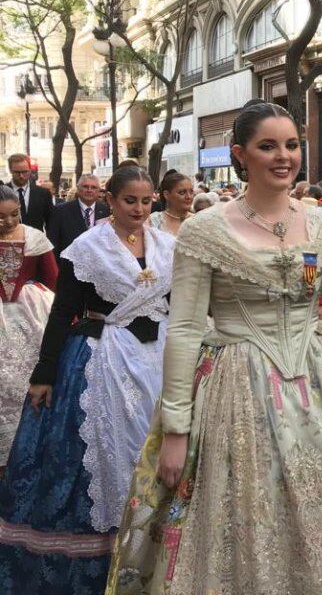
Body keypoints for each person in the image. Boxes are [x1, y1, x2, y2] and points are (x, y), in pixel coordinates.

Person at [106, 101, 322, 594]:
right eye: (268, 146)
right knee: (246, 511)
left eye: (292, 145)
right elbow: (186, 328)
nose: (284, 156)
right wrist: (176, 428)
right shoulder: (204, 230)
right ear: (240, 154)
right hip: (237, 388)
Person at [0, 166, 174, 593]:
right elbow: (64, 310)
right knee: (104, 447)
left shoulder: (168, 245)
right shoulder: (87, 247)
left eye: (146, 201)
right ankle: (108, 555)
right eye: (129, 200)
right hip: (106, 356)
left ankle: (161, 551)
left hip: (163, 356)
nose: (139, 209)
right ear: (110, 200)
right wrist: (44, 372)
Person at [0, 185, 58, 467]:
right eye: (1, 217)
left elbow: (53, 279)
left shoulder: (34, 238)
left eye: (15, 214)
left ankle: (30, 447)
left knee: (29, 375)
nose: (9, 221)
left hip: (31, 315)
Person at [46, 173, 109, 258]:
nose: (89, 190)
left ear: (98, 191)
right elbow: (53, 242)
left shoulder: (105, 210)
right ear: (78, 189)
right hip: (69, 262)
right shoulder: (60, 211)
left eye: (94, 187)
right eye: (85, 186)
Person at [5, 154, 52, 232]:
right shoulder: (2, 192)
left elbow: (50, 222)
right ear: (10, 170)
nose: (21, 176)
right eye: (17, 172)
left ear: (30, 170)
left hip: (36, 238)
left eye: (24, 172)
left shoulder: (43, 193)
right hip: (8, 237)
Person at [148, 171, 194, 236]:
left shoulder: (198, 220)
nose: (188, 197)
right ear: (166, 195)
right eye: (182, 192)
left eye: (191, 192)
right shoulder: (153, 221)